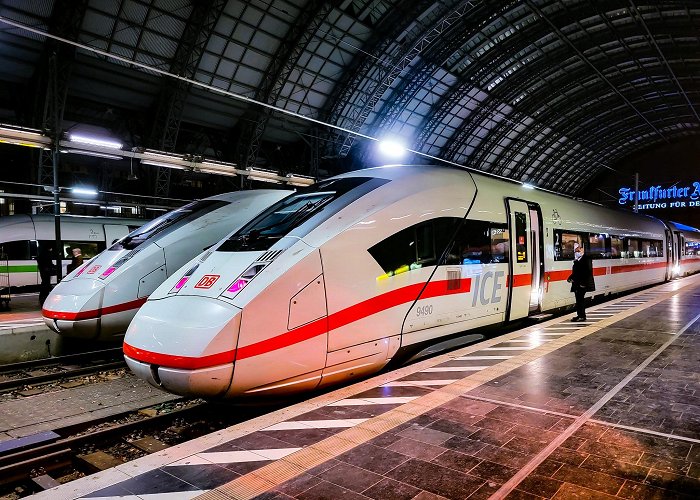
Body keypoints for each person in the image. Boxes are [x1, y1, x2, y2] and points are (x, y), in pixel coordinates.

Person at [567, 242, 595, 321]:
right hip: (577, 283)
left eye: (578, 250)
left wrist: (583, 283)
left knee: (580, 300)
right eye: (576, 251)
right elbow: (576, 272)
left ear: (582, 249)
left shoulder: (586, 259)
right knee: (578, 300)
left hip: (582, 284)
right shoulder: (577, 260)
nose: (577, 252)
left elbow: (587, 272)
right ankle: (580, 315)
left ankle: (582, 316)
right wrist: (570, 278)